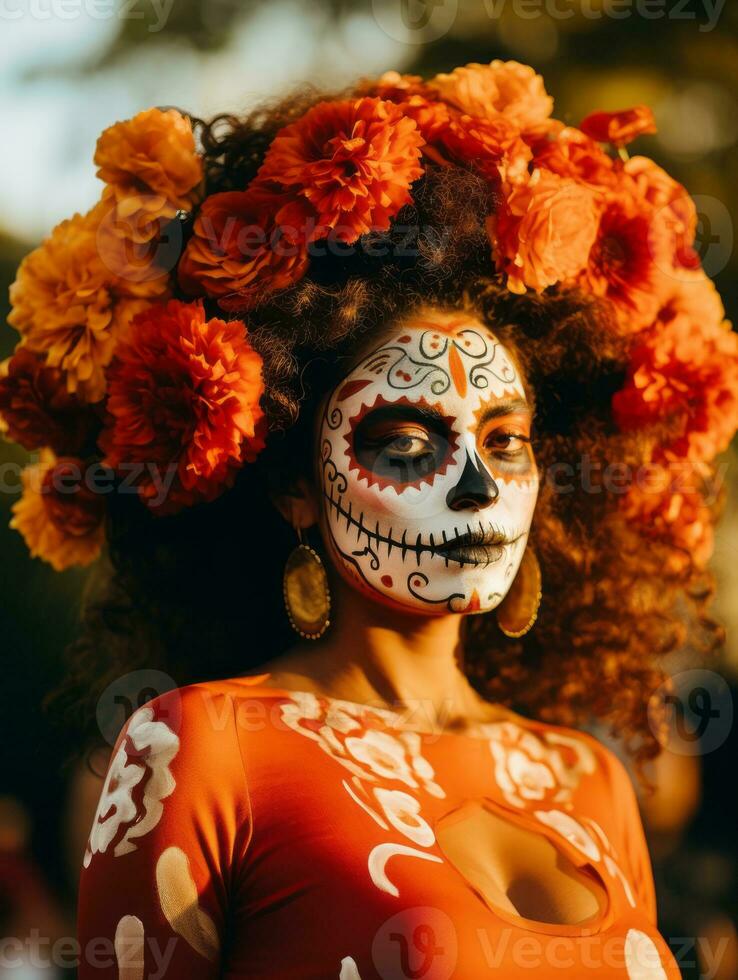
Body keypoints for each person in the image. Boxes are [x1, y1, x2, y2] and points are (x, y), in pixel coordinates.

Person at [3, 61, 736, 978]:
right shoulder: (200, 748)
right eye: (402, 441)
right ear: (293, 487)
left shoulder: (587, 777)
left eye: (506, 442)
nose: (476, 485)